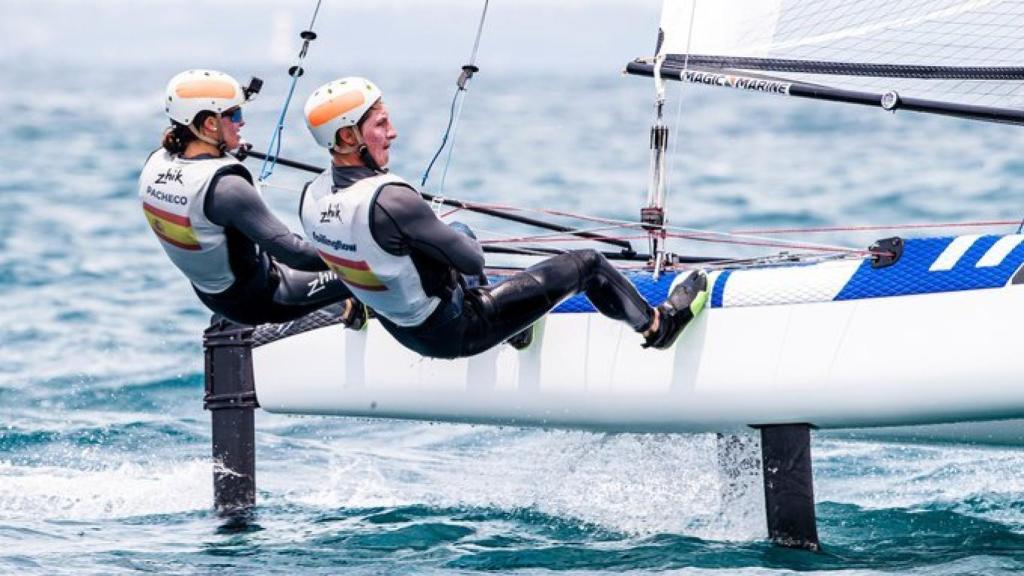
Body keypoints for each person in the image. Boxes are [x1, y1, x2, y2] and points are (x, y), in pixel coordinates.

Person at [298, 76, 707, 359]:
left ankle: (515, 328)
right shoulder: (391, 200)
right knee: (589, 265)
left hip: (400, 325)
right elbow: (471, 260)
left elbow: (352, 250)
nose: (392, 133)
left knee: (458, 228)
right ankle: (658, 327)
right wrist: (427, 235)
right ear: (348, 136)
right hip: (453, 331)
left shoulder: (312, 196)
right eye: (381, 124)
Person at [138, 69, 358, 326]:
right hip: (261, 300)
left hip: (214, 294)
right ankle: (355, 310)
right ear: (210, 124)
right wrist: (369, 251)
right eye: (235, 114)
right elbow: (298, 256)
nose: (241, 123)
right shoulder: (227, 189)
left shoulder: (156, 161)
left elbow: (194, 172)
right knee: (375, 272)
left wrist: (223, 149)